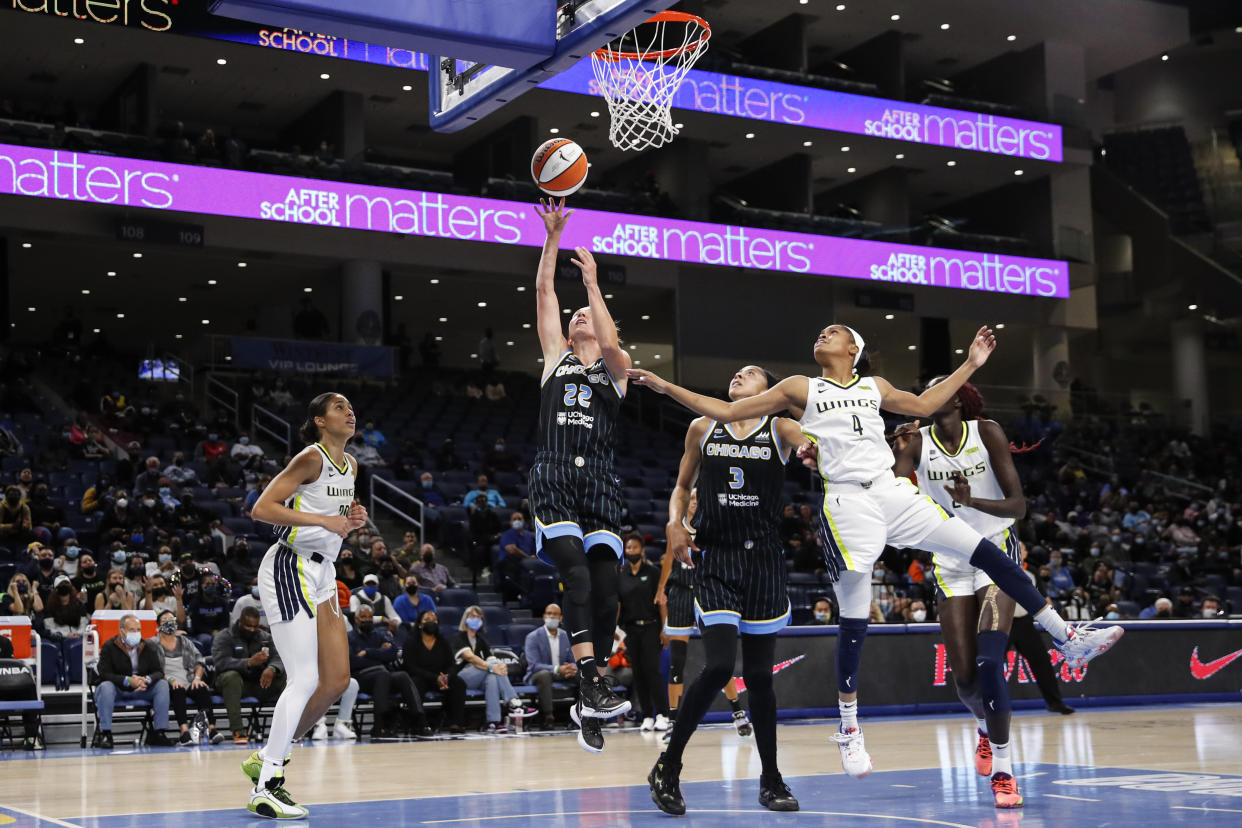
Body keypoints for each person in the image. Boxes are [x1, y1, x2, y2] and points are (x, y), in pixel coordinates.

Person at [627, 324, 1123, 782]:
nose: (824, 333)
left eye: (835, 331)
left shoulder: (875, 387)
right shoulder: (802, 387)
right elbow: (730, 412)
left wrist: (970, 364)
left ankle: (1064, 636)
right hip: (846, 502)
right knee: (855, 617)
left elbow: (926, 405)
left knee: (988, 552)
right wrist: (665, 386)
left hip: (890, 491)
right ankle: (848, 725)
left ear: (853, 350)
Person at [647, 365, 803, 815]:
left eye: (750, 373)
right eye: (736, 373)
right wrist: (675, 524)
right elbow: (681, 486)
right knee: (718, 666)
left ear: (768, 390)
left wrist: (815, 447)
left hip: (765, 561)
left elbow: (811, 444)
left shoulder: (782, 427)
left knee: (757, 678)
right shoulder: (703, 426)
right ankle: (668, 766)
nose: (738, 376)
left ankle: (771, 778)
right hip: (716, 558)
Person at [891, 378, 1028, 809]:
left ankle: (1004, 771)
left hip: (994, 555)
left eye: (942, 388)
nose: (933, 395)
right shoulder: (916, 441)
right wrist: (895, 455)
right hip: (949, 562)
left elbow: (1018, 505)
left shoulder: (986, 432)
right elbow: (894, 497)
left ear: (959, 397)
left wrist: (972, 502)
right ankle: (984, 728)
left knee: (990, 662)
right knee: (965, 678)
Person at [529, 198, 631, 754]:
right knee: (576, 571)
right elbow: (545, 295)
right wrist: (552, 239)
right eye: (574, 317)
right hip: (554, 478)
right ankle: (591, 681)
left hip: (600, 485)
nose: (577, 317)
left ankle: (587, 697)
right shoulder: (554, 358)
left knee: (607, 590)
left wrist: (594, 283)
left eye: (585, 315)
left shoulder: (614, 371)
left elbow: (613, 345)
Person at [243, 392, 367, 818]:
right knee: (304, 677)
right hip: (288, 566)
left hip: (324, 573)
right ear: (319, 420)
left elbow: (332, 527)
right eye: (339, 408)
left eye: (351, 407)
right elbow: (263, 509)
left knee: (335, 681)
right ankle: (268, 783)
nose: (349, 412)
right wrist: (324, 521)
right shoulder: (310, 458)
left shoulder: (351, 466)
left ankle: (267, 755)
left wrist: (348, 524)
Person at [656, 491, 751, 743]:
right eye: (692, 497)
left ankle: (737, 712)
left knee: (718, 659)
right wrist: (660, 589)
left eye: (700, 497)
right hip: (679, 595)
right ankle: (673, 721)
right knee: (677, 663)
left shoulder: (711, 525)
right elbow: (667, 560)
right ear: (685, 503)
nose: (695, 501)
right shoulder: (675, 527)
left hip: (705, 592)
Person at [348, 605, 433, 739]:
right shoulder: (349, 637)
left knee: (402, 676)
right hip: (361, 677)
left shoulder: (380, 634)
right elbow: (352, 662)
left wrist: (368, 652)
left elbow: (393, 653)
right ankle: (379, 725)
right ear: (356, 619)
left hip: (383, 674)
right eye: (363, 617)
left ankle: (420, 721)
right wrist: (380, 655)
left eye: (370, 617)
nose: (367, 620)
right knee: (383, 675)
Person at [93, 613, 172, 748]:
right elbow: (104, 673)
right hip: (118, 688)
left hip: (142, 688)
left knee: (162, 685)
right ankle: (105, 733)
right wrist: (128, 680)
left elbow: (158, 672)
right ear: (122, 631)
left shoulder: (148, 645)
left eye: (139, 630)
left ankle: (159, 733)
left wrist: (146, 680)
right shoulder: (109, 646)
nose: (136, 633)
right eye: (132, 630)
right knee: (105, 687)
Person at [617, 534, 671, 731]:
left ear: (642, 550)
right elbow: (618, 605)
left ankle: (663, 714)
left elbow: (662, 602)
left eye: (634, 547)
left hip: (651, 626)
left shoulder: (654, 572)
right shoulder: (621, 575)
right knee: (638, 673)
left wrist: (665, 629)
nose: (631, 551)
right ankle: (647, 715)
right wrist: (615, 629)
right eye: (628, 548)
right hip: (630, 629)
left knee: (652, 671)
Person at [213, 607, 287, 745]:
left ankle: (288, 728)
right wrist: (248, 662)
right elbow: (220, 662)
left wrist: (272, 668)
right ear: (239, 622)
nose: (252, 630)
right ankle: (238, 730)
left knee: (285, 676)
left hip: (260, 682)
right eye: (248, 626)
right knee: (231, 677)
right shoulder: (225, 636)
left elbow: (279, 657)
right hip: (235, 685)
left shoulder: (265, 637)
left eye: (255, 626)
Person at [451, 605, 530, 733]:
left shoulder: (481, 641)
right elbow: (471, 658)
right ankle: (512, 701)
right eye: (472, 616)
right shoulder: (458, 638)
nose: (476, 619)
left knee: (493, 678)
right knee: (492, 669)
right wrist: (493, 666)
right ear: (465, 619)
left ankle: (493, 722)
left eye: (478, 617)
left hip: (481, 678)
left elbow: (491, 659)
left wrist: (499, 665)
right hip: (462, 679)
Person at [151, 609, 224, 746]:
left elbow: (200, 661)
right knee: (178, 690)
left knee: (202, 689)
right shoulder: (152, 644)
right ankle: (184, 732)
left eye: (172, 621)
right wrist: (170, 680)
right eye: (165, 621)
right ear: (158, 626)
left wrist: (197, 678)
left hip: (188, 679)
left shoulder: (185, 641)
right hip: (166, 681)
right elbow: (153, 668)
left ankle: (211, 729)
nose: (170, 624)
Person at [402, 609, 466, 734]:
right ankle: (420, 724)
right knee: (416, 684)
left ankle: (455, 723)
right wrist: (434, 678)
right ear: (420, 624)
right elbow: (410, 667)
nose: (431, 622)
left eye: (434, 620)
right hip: (421, 677)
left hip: (441, 678)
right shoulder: (411, 642)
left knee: (459, 684)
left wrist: (447, 677)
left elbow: (452, 664)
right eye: (427, 620)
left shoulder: (443, 642)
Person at [522, 603, 577, 728]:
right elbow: (534, 665)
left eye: (555, 614)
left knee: (583, 673)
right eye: (549, 613)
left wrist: (572, 668)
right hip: (539, 674)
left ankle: (583, 714)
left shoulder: (567, 636)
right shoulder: (532, 637)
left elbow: (575, 660)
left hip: (564, 673)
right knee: (544, 675)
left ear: (561, 618)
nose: (551, 617)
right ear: (544, 616)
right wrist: (558, 669)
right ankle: (548, 716)